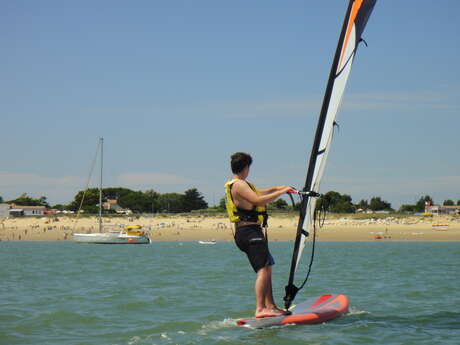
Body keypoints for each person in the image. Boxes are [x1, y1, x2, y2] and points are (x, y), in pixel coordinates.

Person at [225, 152, 291, 318]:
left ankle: (271, 306)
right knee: (262, 269)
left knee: (267, 268)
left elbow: (260, 192)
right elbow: (258, 200)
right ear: (246, 167)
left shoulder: (242, 184)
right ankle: (260, 308)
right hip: (248, 232)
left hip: (251, 231)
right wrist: (280, 193)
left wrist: (279, 188)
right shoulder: (239, 185)